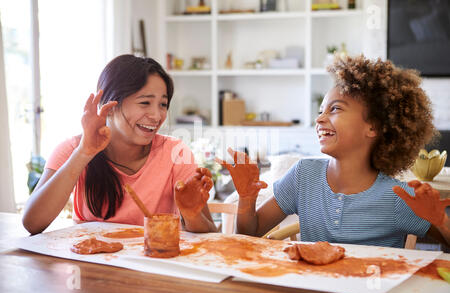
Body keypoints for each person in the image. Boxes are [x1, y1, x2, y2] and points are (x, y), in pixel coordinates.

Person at [217, 54, 450, 248]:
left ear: (373, 127)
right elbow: (250, 234)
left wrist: (440, 221)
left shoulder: (397, 196)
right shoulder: (303, 176)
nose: (319, 119)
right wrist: (247, 198)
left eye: (335, 109)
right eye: (321, 110)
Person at [22, 54, 217, 235]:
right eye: (145, 103)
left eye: (163, 104)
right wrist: (84, 153)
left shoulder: (175, 153)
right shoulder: (74, 149)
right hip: (92, 265)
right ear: (110, 106)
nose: (157, 116)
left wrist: (191, 214)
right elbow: (32, 222)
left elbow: (212, 237)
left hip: (153, 265)